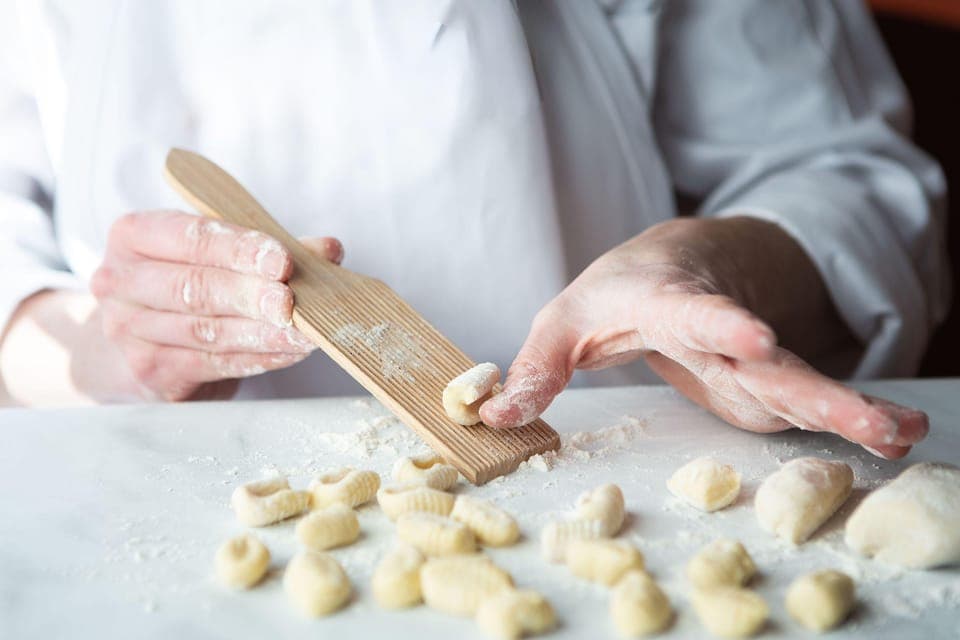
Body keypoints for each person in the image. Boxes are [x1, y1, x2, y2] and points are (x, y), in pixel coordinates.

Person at [0, 1, 948, 461]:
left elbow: (845, 177)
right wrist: (99, 358)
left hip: (623, 457)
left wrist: (711, 268)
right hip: (143, 495)